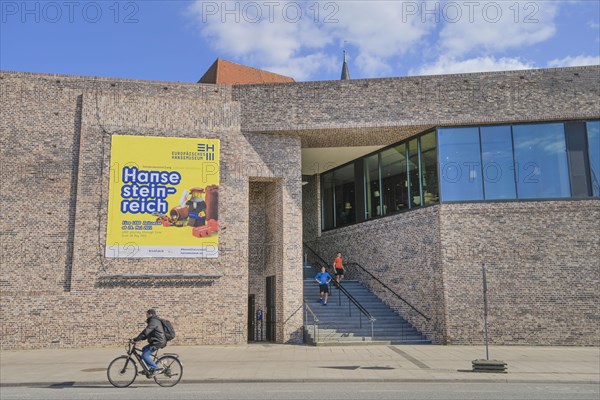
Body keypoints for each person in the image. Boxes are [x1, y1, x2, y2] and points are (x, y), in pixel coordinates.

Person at [133, 309, 166, 374]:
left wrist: (136, 339)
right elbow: (147, 333)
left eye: (147, 314)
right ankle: (147, 368)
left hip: (158, 342)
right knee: (144, 349)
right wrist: (138, 339)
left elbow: (146, 332)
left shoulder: (153, 321)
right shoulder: (153, 321)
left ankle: (156, 368)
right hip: (156, 341)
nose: (146, 315)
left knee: (145, 355)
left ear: (150, 314)